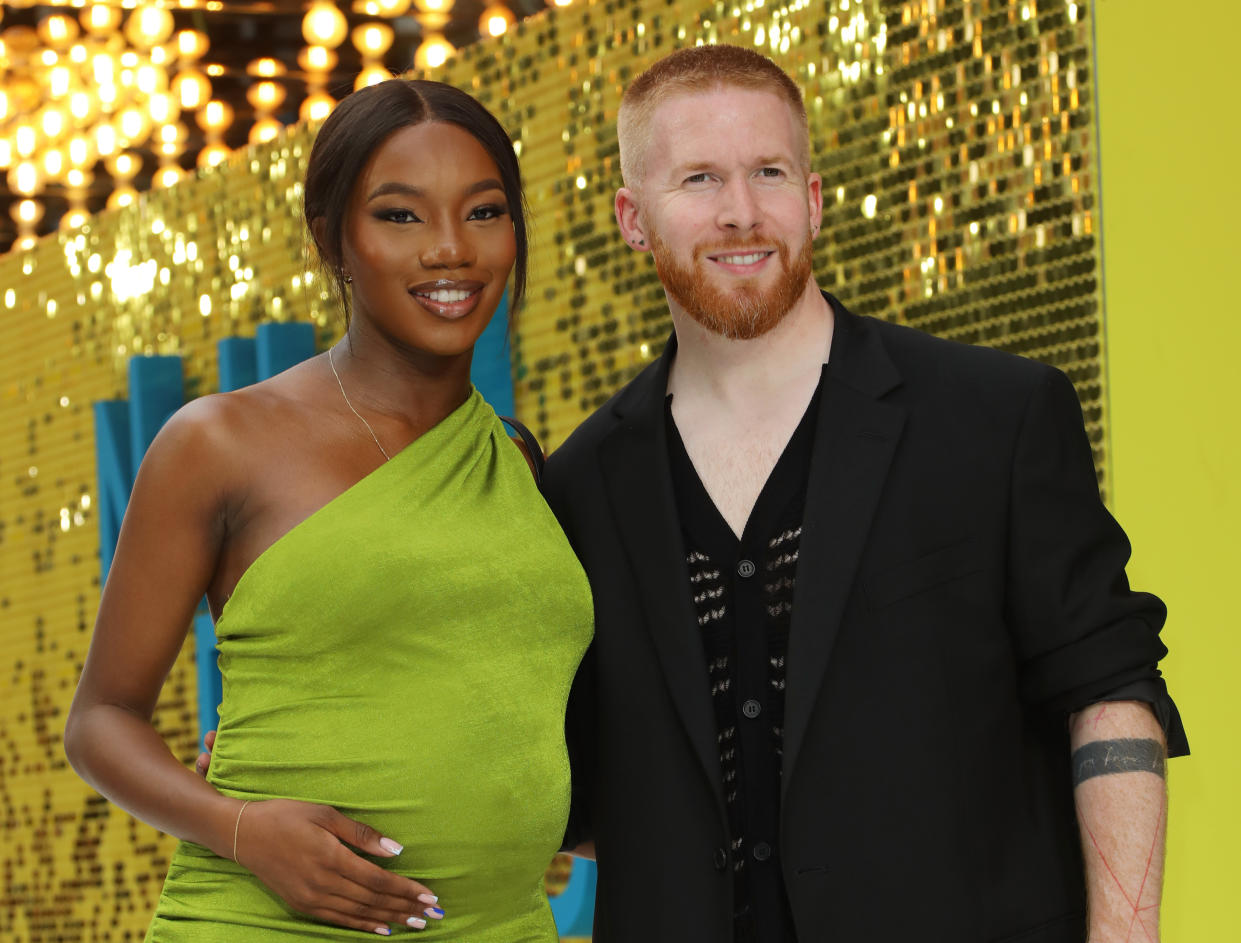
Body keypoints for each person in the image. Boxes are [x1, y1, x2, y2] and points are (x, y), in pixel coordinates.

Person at [543, 44, 1187, 943]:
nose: (740, 212)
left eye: (768, 171)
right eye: (697, 179)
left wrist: (1127, 935)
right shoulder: (577, 486)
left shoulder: (993, 417)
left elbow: (1109, 689)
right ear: (631, 218)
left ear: (810, 199)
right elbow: (588, 787)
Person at [63, 78, 592, 941]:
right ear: (330, 240)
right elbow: (100, 722)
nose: (450, 249)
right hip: (268, 924)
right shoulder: (219, 442)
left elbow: (515, 722)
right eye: (400, 216)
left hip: (503, 925)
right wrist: (244, 830)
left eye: (485, 211)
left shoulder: (520, 462)